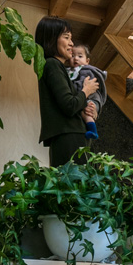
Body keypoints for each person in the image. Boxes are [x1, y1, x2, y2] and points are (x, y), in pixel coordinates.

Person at [34, 16, 99, 166]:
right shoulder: (52, 64)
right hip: (69, 136)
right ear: (52, 38)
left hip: (67, 136)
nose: (71, 43)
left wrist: (88, 108)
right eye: (66, 37)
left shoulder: (54, 65)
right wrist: (86, 90)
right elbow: (69, 105)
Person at [69, 42, 108, 143]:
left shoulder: (86, 71)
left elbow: (82, 84)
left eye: (80, 56)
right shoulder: (70, 71)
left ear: (87, 61)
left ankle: (93, 130)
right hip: (83, 98)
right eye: (72, 56)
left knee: (87, 112)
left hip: (90, 97)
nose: (76, 58)